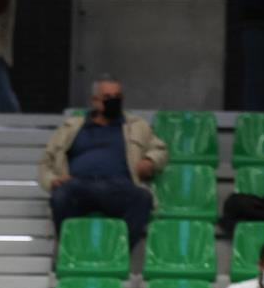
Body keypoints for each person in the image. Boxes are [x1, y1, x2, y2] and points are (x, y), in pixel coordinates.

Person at [39, 76, 168, 242]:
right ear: (95, 101)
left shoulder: (137, 125)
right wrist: (52, 180)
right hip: (79, 185)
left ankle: (119, 250)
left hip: (119, 186)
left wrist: (150, 160)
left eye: (117, 97)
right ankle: (70, 248)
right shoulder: (71, 127)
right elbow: (46, 161)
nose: (114, 100)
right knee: (60, 196)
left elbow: (160, 149)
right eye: (107, 97)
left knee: (142, 198)